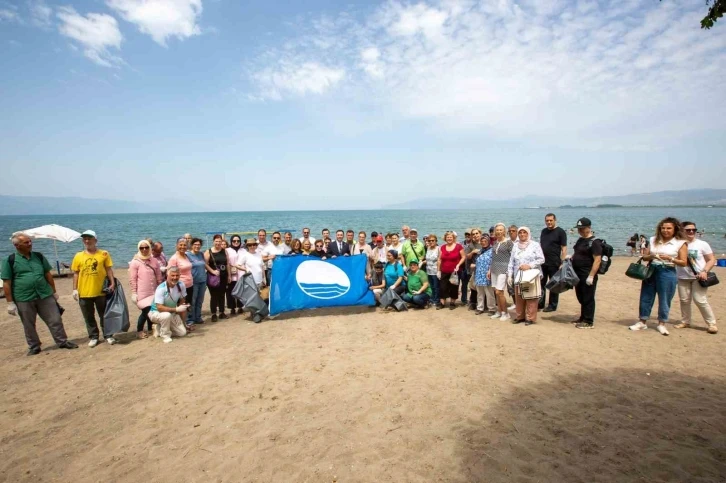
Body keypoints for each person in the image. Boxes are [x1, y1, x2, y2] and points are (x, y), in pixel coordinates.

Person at [2, 233, 77, 355]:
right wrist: (10, 302)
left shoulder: (38, 257)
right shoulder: (9, 261)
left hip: (44, 294)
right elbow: (7, 282)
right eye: (26, 242)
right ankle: (34, 346)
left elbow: (47, 274)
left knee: (55, 319)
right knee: (28, 323)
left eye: (30, 241)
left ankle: (62, 341)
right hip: (23, 297)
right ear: (17, 245)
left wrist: (53, 292)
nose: (30, 244)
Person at [629, 217, 688, 336]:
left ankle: (662, 323)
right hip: (652, 269)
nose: (665, 230)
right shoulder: (654, 239)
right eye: (663, 228)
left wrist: (670, 258)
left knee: (665, 298)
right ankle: (642, 321)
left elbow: (684, 262)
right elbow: (645, 257)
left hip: (668, 270)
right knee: (646, 296)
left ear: (675, 229)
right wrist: (652, 256)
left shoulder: (680, 243)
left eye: (668, 228)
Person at [71, 230, 116, 347]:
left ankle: (108, 335)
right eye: (85, 239)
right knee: (89, 317)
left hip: (101, 291)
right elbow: (76, 273)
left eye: (89, 238)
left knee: (104, 314)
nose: (87, 241)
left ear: (95, 240)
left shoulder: (104, 254)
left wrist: (112, 283)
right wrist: (74, 289)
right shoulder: (78, 256)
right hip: (84, 292)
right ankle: (94, 336)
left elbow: (108, 269)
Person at [674, 221, 718, 334]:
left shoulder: (702, 244)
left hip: (699, 276)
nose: (691, 232)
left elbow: (711, 259)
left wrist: (705, 271)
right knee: (684, 300)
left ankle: (711, 324)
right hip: (682, 276)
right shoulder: (677, 244)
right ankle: (685, 321)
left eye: (694, 229)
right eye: (688, 230)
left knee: (700, 300)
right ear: (682, 231)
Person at [507, 227, 545, 326]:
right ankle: (520, 316)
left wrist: (529, 265)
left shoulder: (535, 245)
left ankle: (530, 318)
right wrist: (509, 275)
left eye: (524, 232)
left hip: (531, 275)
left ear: (528, 234)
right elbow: (511, 261)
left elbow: (541, 259)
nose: (522, 234)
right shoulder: (515, 246)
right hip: (518, 275)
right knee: (519, 297)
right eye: (520, 232)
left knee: (530, 297)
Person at [570, 218, 602, 329]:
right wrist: (571, 258)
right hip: (577, 273)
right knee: (581, 296)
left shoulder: (595, 242)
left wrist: (591, 276)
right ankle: (583, 317)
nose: (580, 231)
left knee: (588, 297)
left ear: (589, 228)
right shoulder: (580, 240)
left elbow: (597, 260)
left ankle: (588, 321)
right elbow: (576, 253)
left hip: (587, 273)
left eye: (582, 229)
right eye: (579, 229)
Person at [129, 239, 163, 338]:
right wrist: (134, 293)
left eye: (146, 247)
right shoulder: (135, 262)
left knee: (152, 310)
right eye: (142, 248)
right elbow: (133, 279)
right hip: (142, 292)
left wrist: (160, 289)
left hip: (154, 290)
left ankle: (150, 328)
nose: (144, 249)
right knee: (146, 311)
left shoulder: (154, 260)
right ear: (139, 249)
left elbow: (159, 276)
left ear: (149, 248)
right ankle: (139, 331)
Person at [148, 266, 188, 343]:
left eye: (177, 275)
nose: (175, 277)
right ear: (167, 275)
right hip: (155, 313)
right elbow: (159, 308)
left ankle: (158, 328)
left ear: (179, 275)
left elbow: (182, 301)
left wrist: (182, 321)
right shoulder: (161, 288)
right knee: (166, 315)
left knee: (182, 333)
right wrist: (176, 309)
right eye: (172, 275)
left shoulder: (181, 285)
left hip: (170, 312)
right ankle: (165, 335)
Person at [539, 213, 567, 313]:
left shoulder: (560, 232)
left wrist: (563, 262)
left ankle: (552, 305)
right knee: (541, 283)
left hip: (554, 263)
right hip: (543, 262)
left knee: (554, 284)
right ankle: (541, 303)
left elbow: (564, 248)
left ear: (555, 220)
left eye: (551, 220)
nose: (549, 222)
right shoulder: (544, 231)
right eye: (547, 220)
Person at [167, 237, 195, 331]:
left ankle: (184, 323)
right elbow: (170, 274)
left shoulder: (186, 256)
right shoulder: (174, 258)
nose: (183, 247)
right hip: (180, 287)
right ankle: (179, 326)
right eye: (181, 245)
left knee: (187, 305)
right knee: (180, 306)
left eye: (184, 245)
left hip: (189, 284)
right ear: (177, 246)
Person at [488, 223, 514, 321]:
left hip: (504, 269)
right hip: (494, 269)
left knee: (500, 292)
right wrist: (489, 270)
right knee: (496, 291)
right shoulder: (495, 243)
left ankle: (505, 313)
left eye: (500, 230)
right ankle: (499, 311)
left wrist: (511, 271)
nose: (498, 232)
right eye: (497, 230)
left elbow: (513, 257)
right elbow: (493, 258)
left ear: (504, 231)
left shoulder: (508, 242)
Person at [204, 234, 229, 322]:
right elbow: (205, 264)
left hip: (223, 276)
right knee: (214, 296)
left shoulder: (224, 251)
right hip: (213, 277)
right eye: (216, 241)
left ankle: (222, 312)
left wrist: (229, 275)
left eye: (219, 241)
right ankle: (214, 314)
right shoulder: (208, 251)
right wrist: (212, 271)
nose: (218, 243)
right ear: (213, 241)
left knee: (222, 295)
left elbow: (227, 264)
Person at [437, 231, 465, 310]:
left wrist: (458, 265)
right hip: (444, 270)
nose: (449, 238)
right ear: (445, 238)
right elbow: (439, 260)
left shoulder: (458, 246)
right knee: (442, 287)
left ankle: (452, 303)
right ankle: (442, 303)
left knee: (454, 287)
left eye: (451, 237)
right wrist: (438, 271)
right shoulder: (442, 247)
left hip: (454, 271)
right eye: (447, 237)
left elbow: (463, 257)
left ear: (454, 238)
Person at [187, 238, 207, 325]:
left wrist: (213, 271)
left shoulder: (201, 254)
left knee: (200, 300)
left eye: (199, 245)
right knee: (193, 301)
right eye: (195, 244)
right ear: (191, 245)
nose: (197, 246)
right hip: (193, 281)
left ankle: (198, 317)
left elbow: (205, 264)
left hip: (203, 280)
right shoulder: (187, 255)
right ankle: (191, 319)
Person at [474, 233, 495, 315]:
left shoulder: (492, 251)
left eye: (485, 241)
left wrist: (490, 271)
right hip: (479, 274)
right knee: (480, 293)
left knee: (489, 293)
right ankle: (480, 308)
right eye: (482, 241)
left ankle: (492, 309)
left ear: (488, 241)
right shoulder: (479, 251)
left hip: (487, 274)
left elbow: (493, 262)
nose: (483, 242)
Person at [463, 228, 482, 309]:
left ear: (480, 233)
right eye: (473, 234)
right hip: (474, 268)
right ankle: (473, 303)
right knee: (473, 286)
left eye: (476, 233)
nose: (475, 235)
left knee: (484, 286)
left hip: (483, 268)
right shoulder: (470, 245)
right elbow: (467, 256)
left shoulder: (485, 242)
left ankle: (484, 303)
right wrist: (472, 252)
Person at [225, 235, 245, 316]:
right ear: (231, 242)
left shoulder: (243, 250)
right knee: (230, 291)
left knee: (241, 291)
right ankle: (232, 308)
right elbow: (226, 263)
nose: (236, 242)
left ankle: (240, 306)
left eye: (238, 241)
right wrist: (228, 274)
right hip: (231, 274)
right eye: (234, 241)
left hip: (241, 274)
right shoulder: (227, 250)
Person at [422, 234, 441, 307]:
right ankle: (432, 298)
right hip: (429, 270)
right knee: (431, 286)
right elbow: (427, 259)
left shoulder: (438, 248)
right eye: (429, 241)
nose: (431, 242)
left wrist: (439, 271)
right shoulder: (428, 248)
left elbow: (439, 260)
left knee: (436, 286)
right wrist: (422, 262)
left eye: (433, 240)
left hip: (436, 271)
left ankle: (437, 300)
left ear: (436, 241)